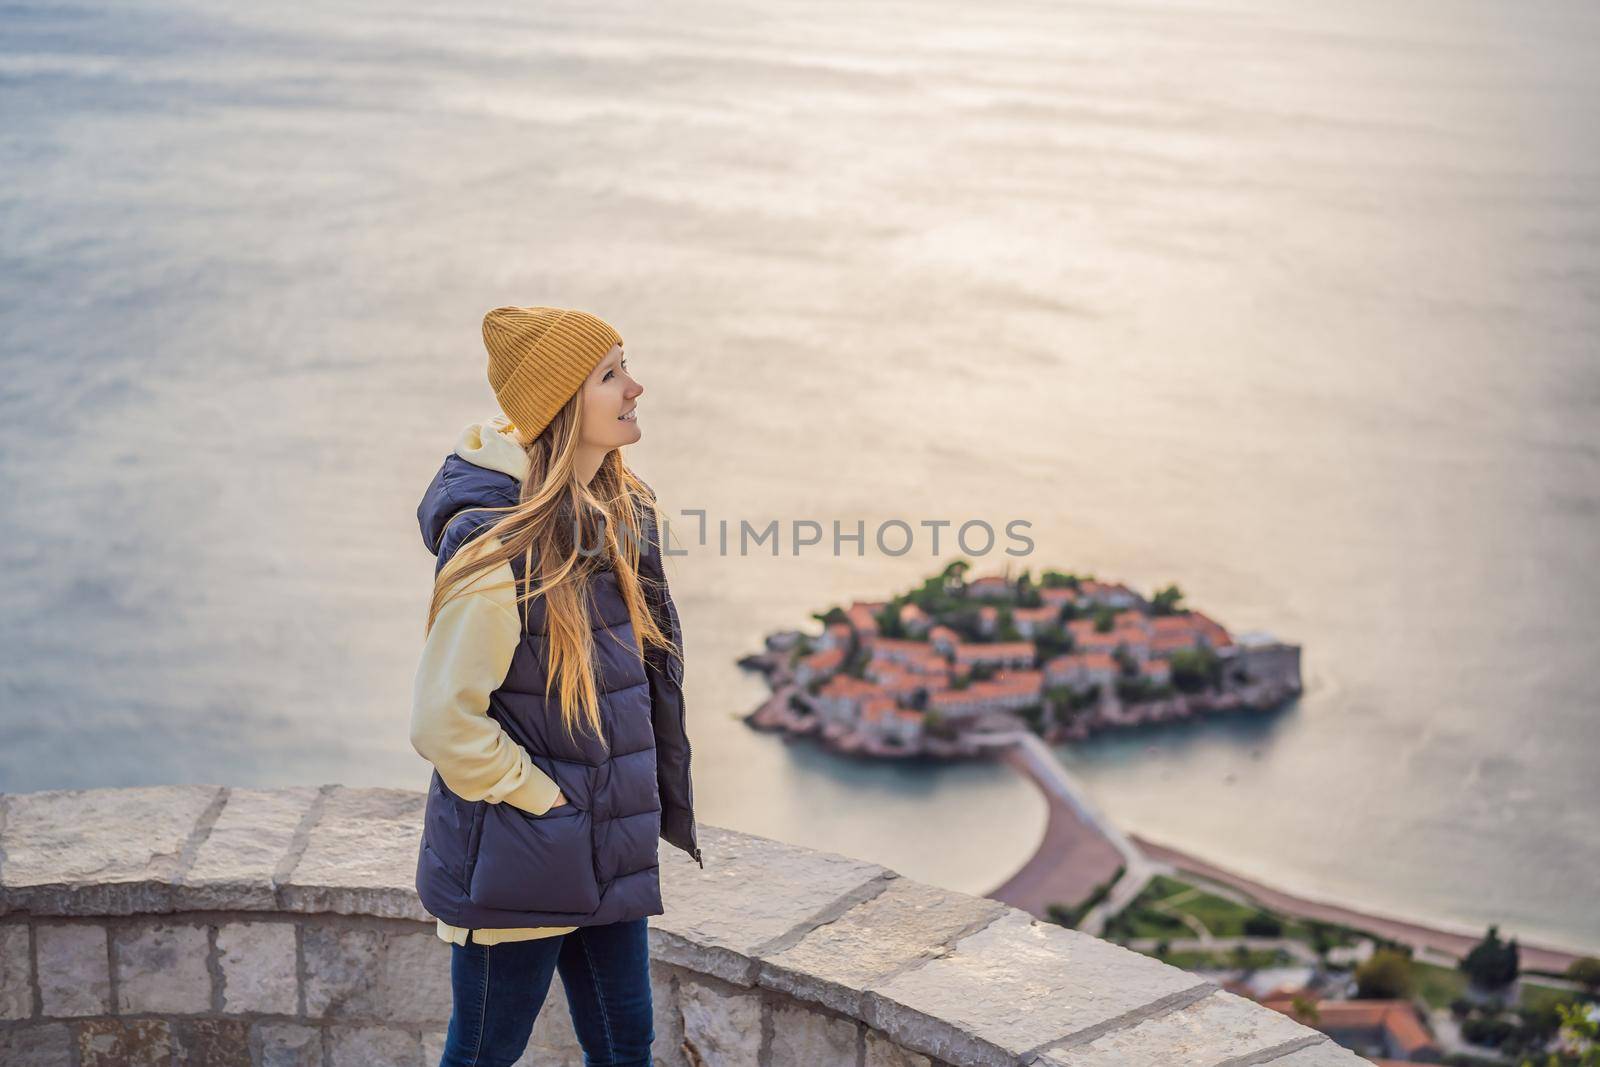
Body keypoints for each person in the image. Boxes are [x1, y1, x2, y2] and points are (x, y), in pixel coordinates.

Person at [408, 306, 702, 1067]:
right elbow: (442, 722)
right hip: (529, 851)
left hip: (604, 842)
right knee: (482, 1056)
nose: (636, 387)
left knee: (624, 1047)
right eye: (611, 375)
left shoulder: (616, 509)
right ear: (563, 402)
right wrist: (545, 800)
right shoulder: (499, 550)